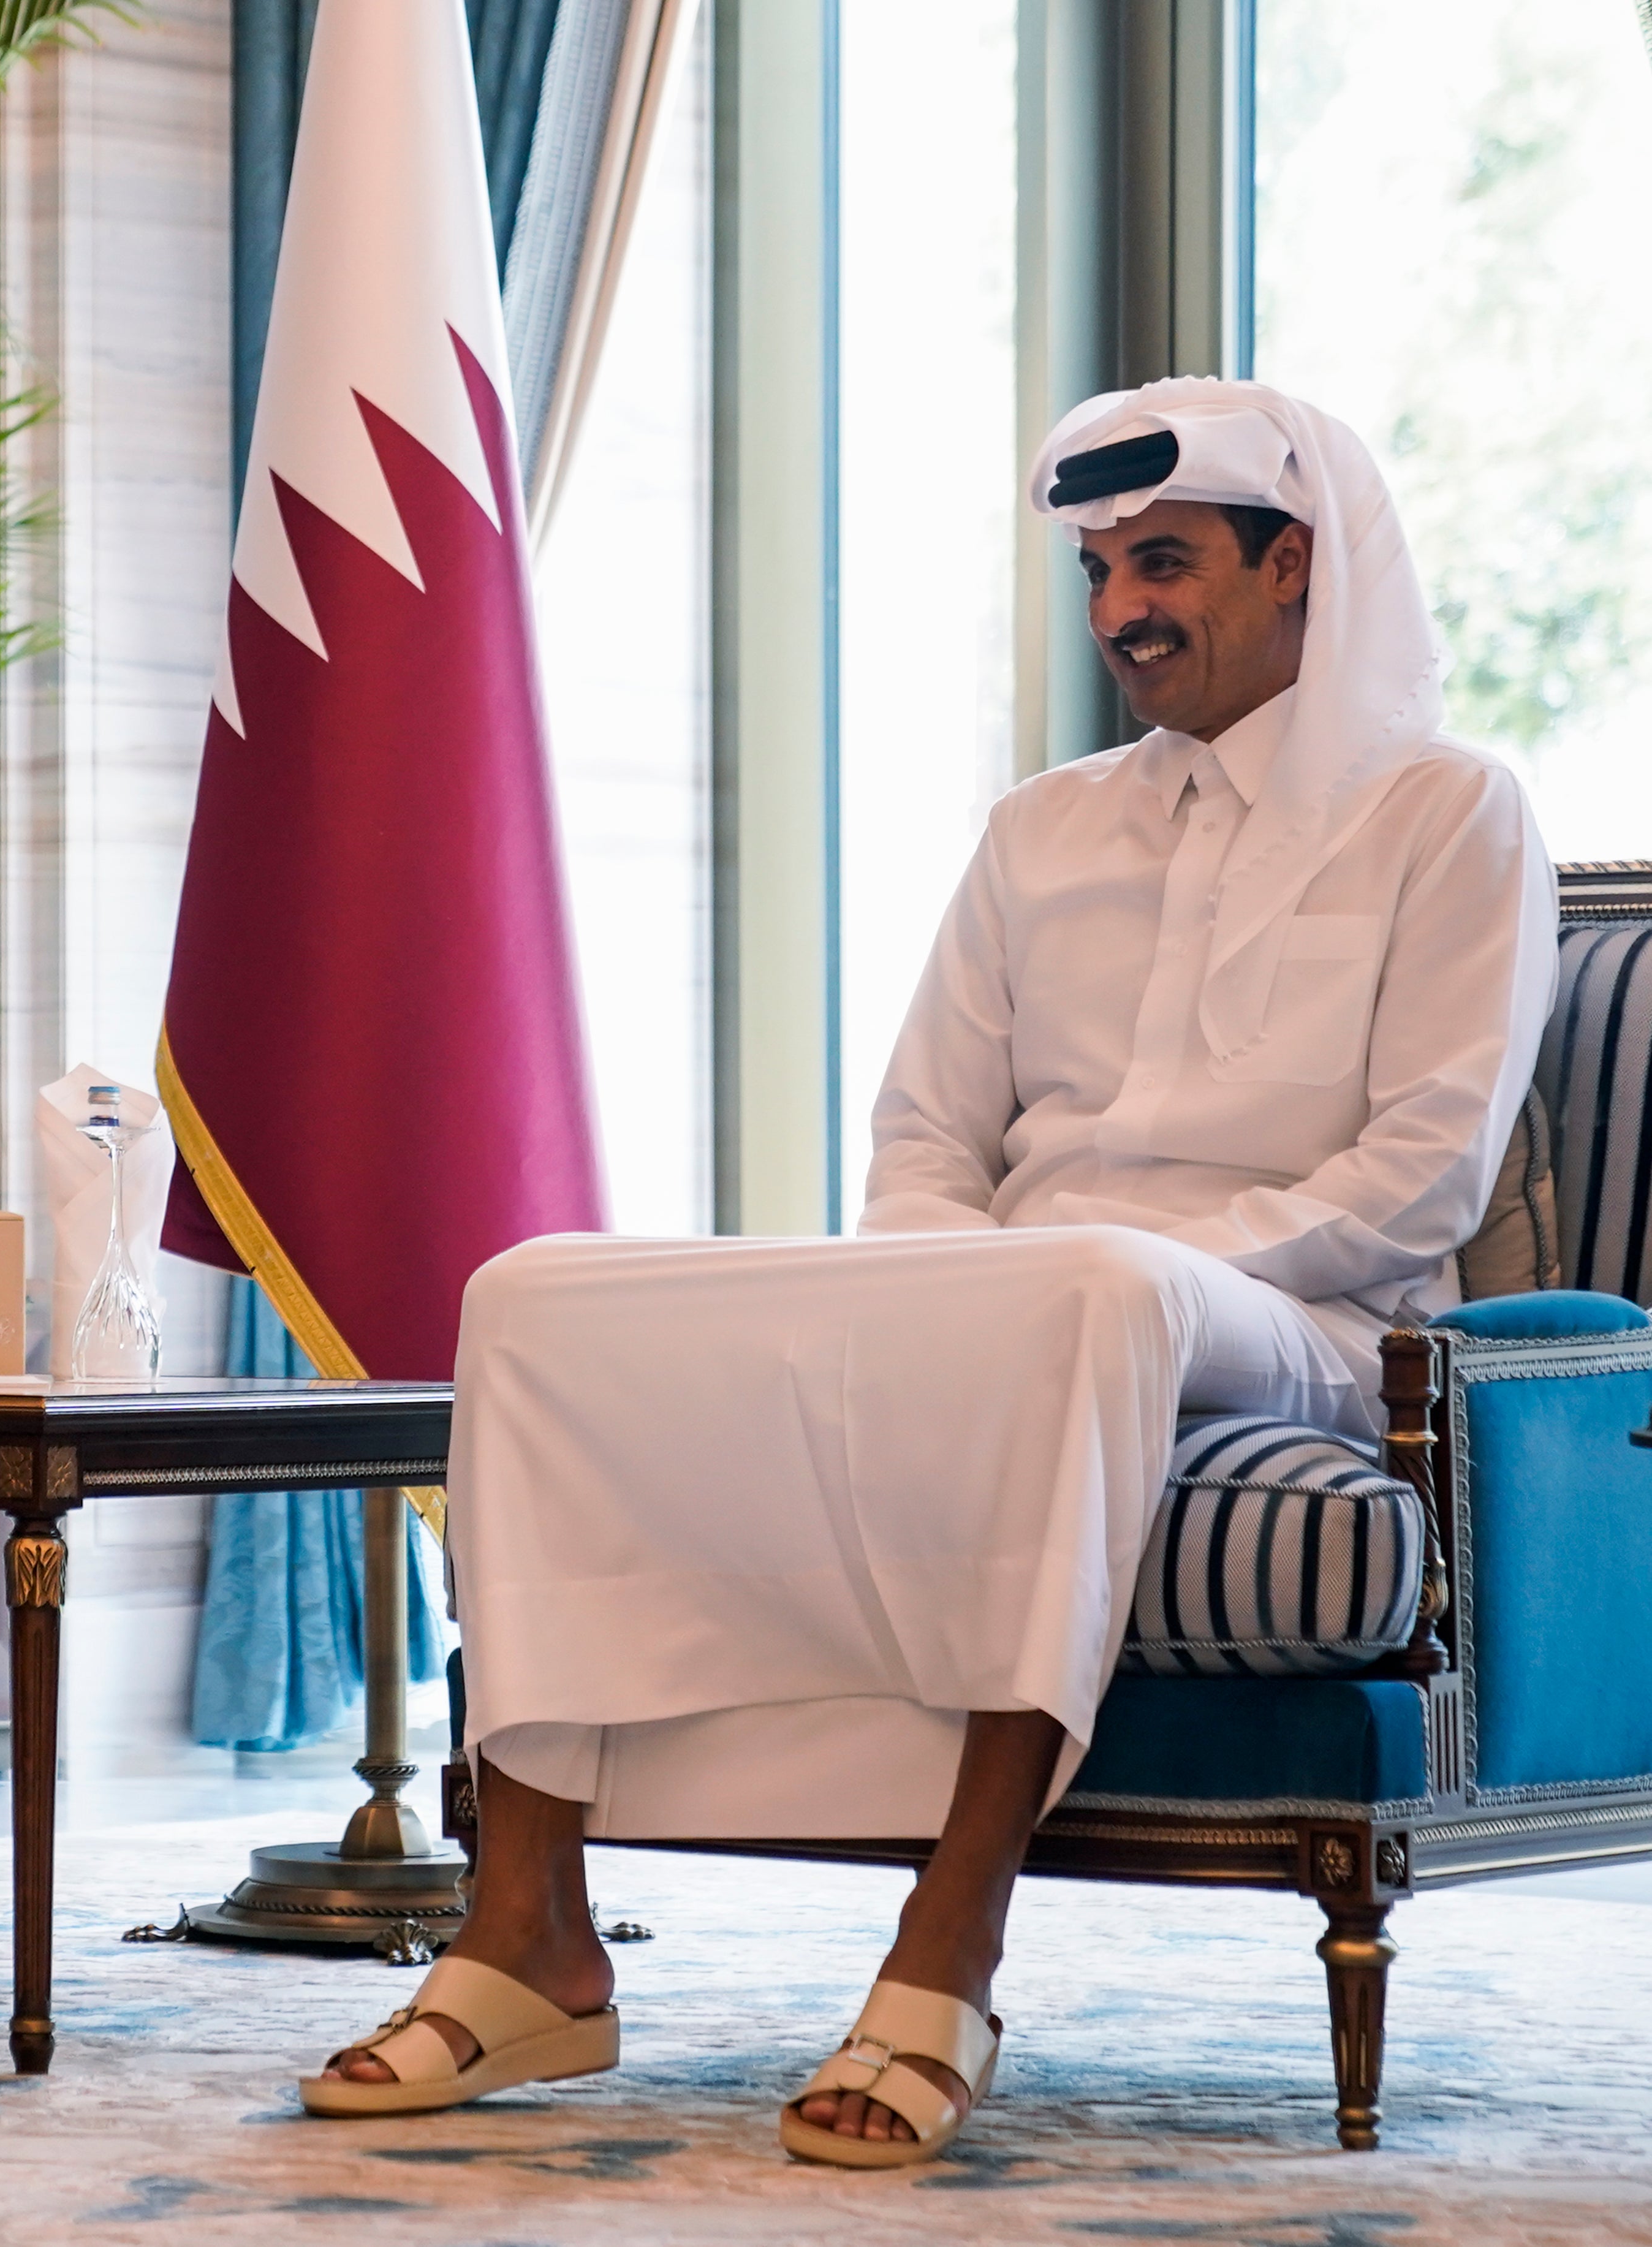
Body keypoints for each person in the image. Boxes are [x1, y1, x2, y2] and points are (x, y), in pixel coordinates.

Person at [300, 379, 1553, 2166]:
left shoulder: (1450, 814)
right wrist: (949, 1298)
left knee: (1090, 1300)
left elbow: (1411, 1178)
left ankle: (946, 1945)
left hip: (1307, 1323)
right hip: (1028, 1302)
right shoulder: (1037, 829)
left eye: (1167, 560)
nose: (1122, 607)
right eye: (1102, 566)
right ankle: (526, 1940)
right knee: (534, 1291)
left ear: (1295, 568)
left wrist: (1078, 1273)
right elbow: (922, 1148)